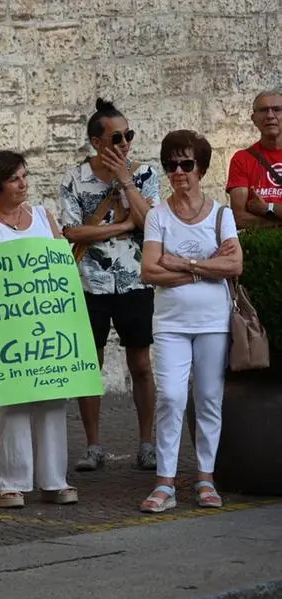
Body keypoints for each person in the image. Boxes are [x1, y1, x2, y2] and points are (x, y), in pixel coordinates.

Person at [140, 131, 242, 513]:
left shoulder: (221, 214)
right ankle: (165, 482)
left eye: (186, 164)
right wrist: (207, 268)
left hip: (213, 321)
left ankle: (205, 477)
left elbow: (234, 264)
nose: (178, 172)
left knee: (209, 398)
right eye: (171, 165)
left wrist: (183, 264)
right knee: (170, 396)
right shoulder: (157, 215)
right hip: (170, 323)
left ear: (200, 167)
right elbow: (149, 270)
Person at [0, 150, 76, 509]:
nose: (24, 183)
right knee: (7, 403)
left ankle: (53, 479)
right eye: (15, 178)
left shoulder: (43, 216)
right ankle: (10, 481)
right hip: (7, 328)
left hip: (48, 326)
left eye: (24, 176)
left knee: (52, 401)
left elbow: (62, 263)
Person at [59, 98, 160, 472]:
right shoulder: (74, 177)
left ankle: (147, 442)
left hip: (135, 279)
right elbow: (70, 230)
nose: (124, 144)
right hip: (90, 283)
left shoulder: (145, 173)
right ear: (96, 141)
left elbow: (150, 222)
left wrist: (125, 182)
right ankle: (94, 444)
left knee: (141, 364)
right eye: (117, 137)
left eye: (128, 135)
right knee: (91, 363)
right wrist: (120, 227)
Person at [227, 89, 282, 229]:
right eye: (263, 110)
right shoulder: (242, 159)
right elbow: (239, 217)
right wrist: (277, 224)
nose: (270, 115)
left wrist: (268, 208)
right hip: (260, 246)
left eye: (277, 109)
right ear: (254, 119)